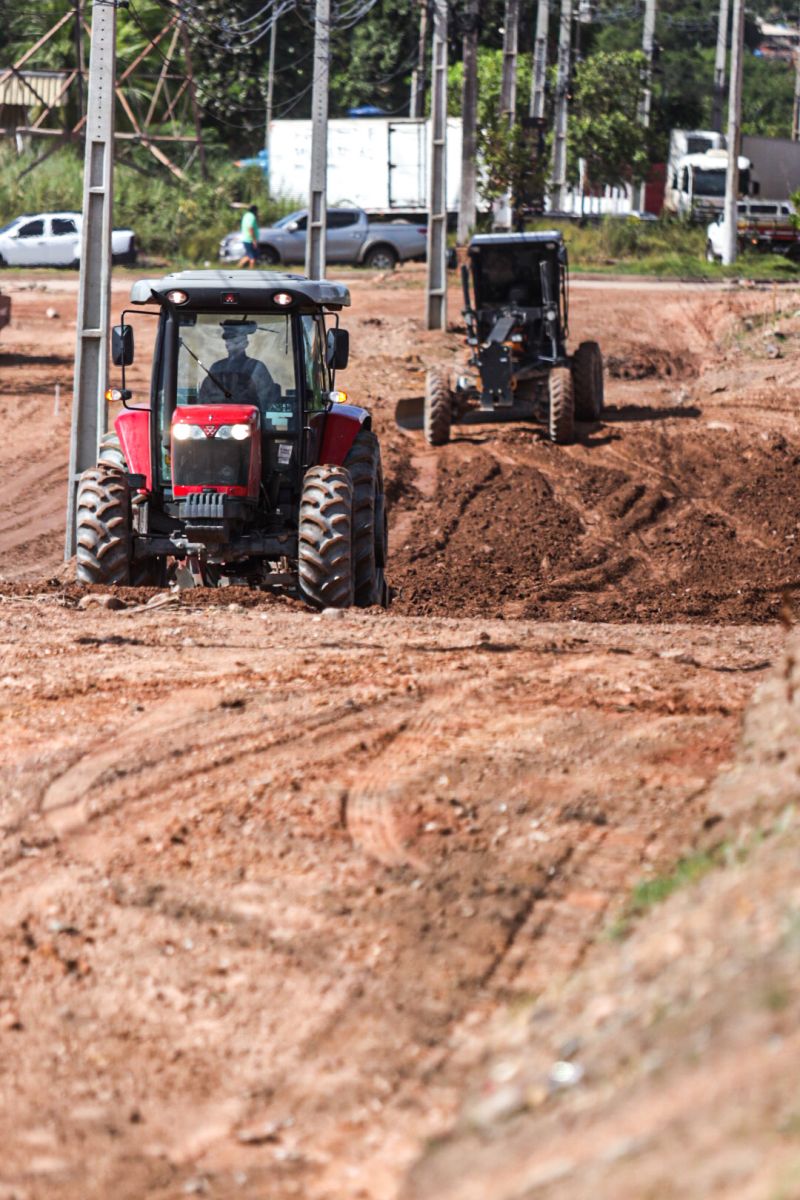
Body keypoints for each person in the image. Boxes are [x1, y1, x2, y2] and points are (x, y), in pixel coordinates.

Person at [198, 322, 279, 410]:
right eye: (228, 342)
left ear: (246, 344)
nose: (230, 345)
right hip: (219, 418)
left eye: (236, 342)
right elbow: (205, 399)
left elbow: (267, 399)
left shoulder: (256, 367)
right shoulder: (217, 368)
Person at [236, 205, 260, 269]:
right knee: (253, 257)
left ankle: (238, 266)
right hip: (249, 239)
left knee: (248, 255)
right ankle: (251, 271)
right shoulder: (251, 216)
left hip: (246, 238)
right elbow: (250, 228)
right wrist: (254, 240)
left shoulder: (246, 215)